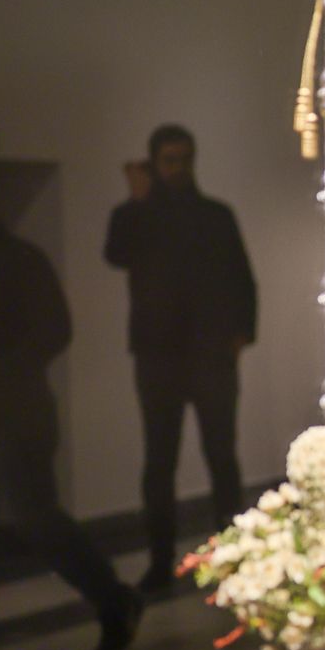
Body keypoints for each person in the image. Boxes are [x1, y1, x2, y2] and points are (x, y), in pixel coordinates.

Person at [0, 165, 140, 650]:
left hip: (14, 419)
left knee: (36, 519)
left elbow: (53, 330)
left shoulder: (19, 260)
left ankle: (113, 598)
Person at [103, 125, 256, 592]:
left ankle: (233, 553)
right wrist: (138, 201)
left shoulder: (215, 215)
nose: (179, 168)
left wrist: (241, 336)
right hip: (158, 357)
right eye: (170, 160)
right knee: (159, 462)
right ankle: (158, 560)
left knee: (221, 457)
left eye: (185, 158)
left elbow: (242, 278)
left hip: (211, 354)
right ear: (154, 162)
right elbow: (116, 254)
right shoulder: (135, 215)